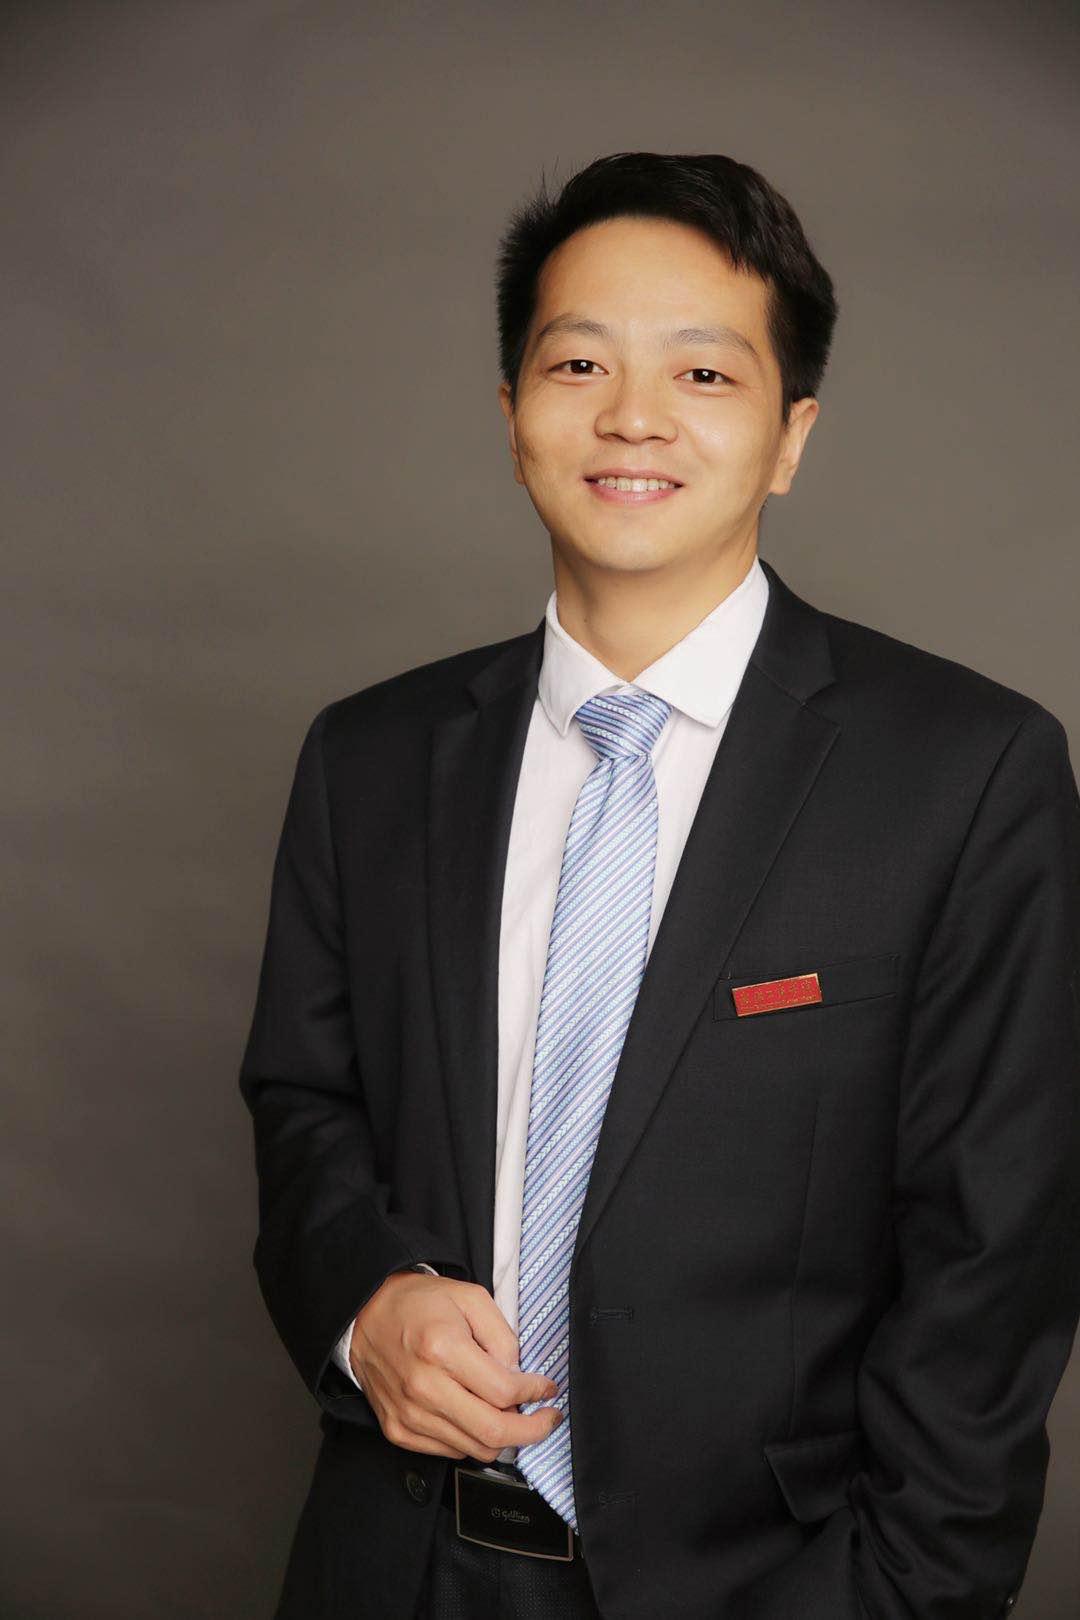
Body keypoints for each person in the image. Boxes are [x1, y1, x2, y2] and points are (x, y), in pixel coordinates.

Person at [239, 151, 1080, 1620]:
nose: (632, 415)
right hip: (395, 1567)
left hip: (774, 1585)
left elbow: (995, 1256)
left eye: (703, 372)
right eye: (579, 363)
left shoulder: (968, 771)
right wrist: (365, 1304)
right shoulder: (369, 758)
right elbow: (304, 1101)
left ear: (790, 434)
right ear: (512, 413)